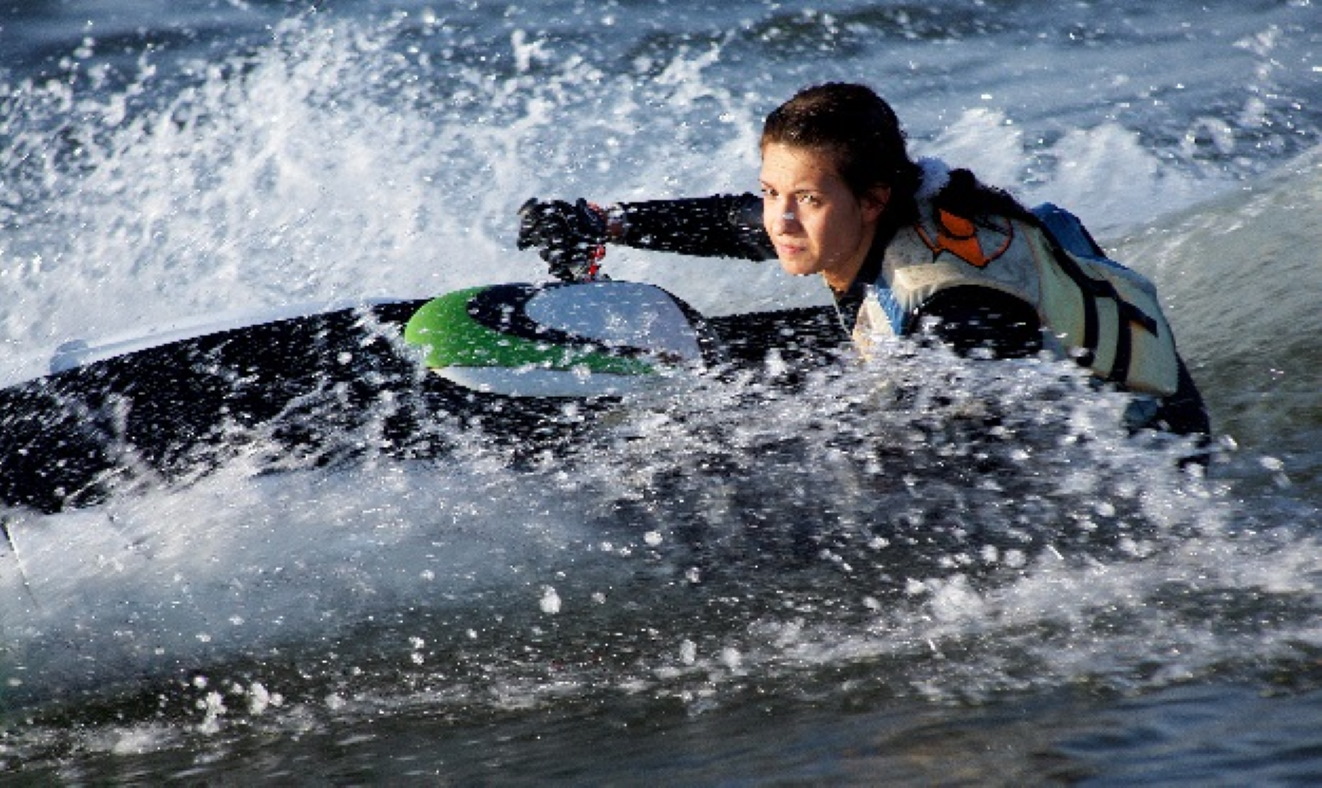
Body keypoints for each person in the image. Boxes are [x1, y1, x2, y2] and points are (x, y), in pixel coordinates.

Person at [517, 82, 1208, 437]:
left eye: (806, 199)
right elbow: (749, 223)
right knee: (715, 354)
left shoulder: (957, 311)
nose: (781, 218)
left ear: (872, 199)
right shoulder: (889, 208)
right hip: (993, 380)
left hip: (1135, 475)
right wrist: (608, 222)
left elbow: (993, 466)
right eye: (771, 191)